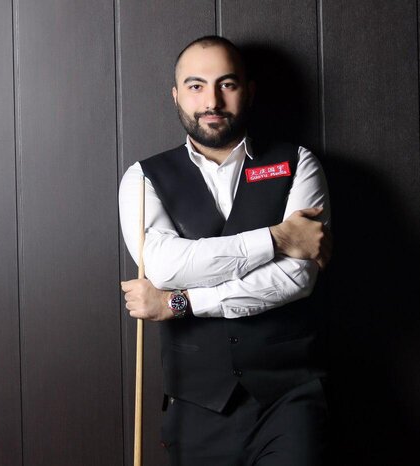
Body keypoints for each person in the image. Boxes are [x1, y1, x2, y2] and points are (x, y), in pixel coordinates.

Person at [119, 35, 331, 466]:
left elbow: (296, 278)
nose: (211, 101)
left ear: (248, 91)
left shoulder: (298, 163)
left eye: (226, 84)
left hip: (289, 401)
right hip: (196, 410)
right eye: (196, 86)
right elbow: (164, 268)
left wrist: (179, 303)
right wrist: (277, 239)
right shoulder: (142, 179)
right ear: (176, 95)